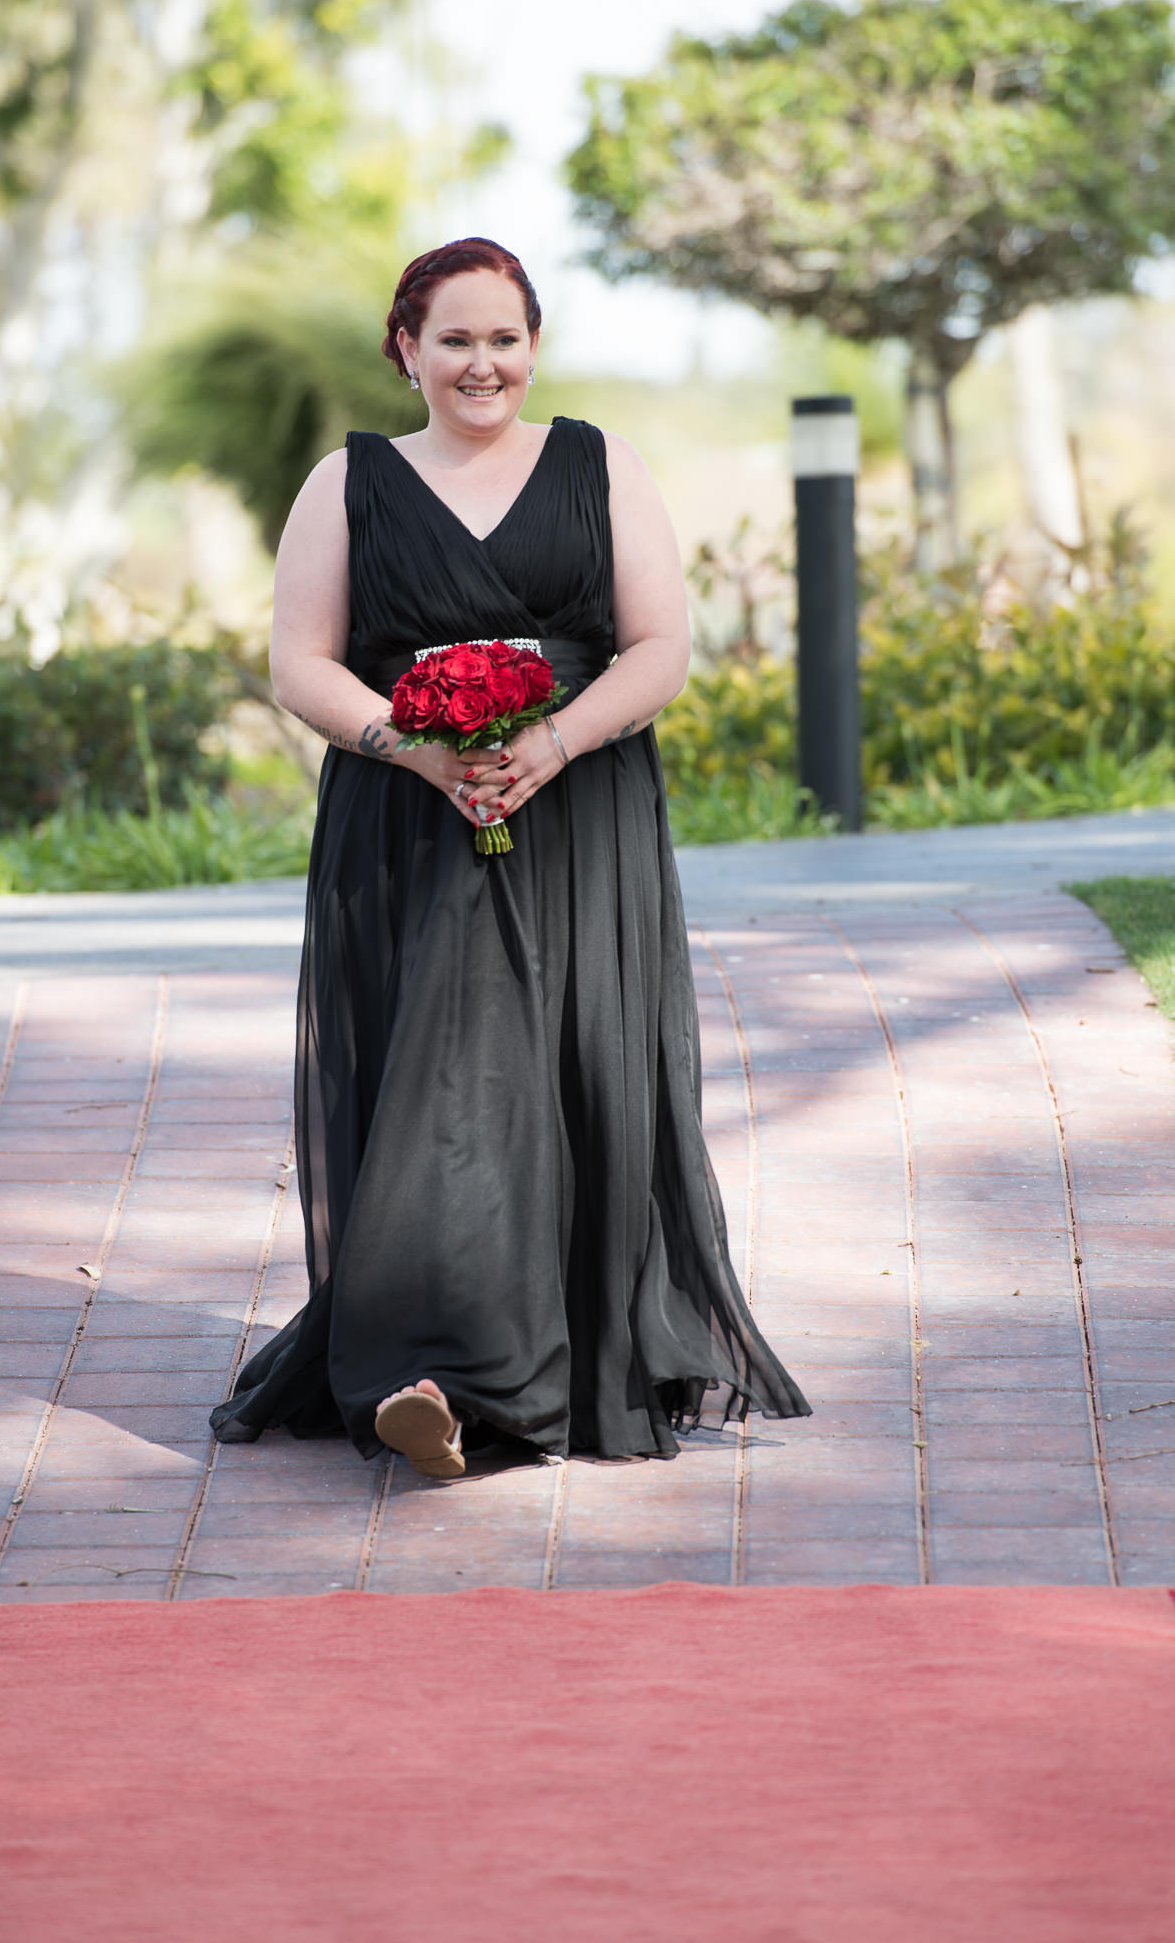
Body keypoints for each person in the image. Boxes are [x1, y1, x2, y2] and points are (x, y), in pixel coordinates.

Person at [210, 236, 810, 1475]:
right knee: (442, 1088)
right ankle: (426, 1372)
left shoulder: (601, 464)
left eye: (505, 338)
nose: (483, 364)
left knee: (571, 1075)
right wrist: (409, 747)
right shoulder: (349, 482)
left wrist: (552, 743)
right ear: (406, 349)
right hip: (407, 820)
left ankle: (566, 1359)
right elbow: (299, 663)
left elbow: (658, 647)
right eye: (455, 339)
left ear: (533, 345)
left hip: (580, 814)